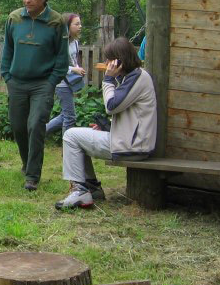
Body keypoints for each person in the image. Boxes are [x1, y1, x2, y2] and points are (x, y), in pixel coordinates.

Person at [56, 38, 157, 209]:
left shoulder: (137, 77)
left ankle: (80, 191)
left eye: (109, 59)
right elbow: (131, 115)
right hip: (133, 142)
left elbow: (112, 106)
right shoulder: (133, 76)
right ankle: (92, 188)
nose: (106, 63)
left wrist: (108, 79)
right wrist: (107, 128)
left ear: (119, 60)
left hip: (131, 146)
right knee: (79, 137)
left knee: (70, 135)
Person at [1, 0, 69, 191]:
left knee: (36, 124)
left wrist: (52, 82)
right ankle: (26, 163)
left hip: (42, 84)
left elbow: (62, 57)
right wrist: (7, 75)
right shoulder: (14, 19)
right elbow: (8, 50)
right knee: (19, 127)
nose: (27, 0)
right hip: (17, 82)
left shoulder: (56, 22)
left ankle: (32, 176)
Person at [46, 13, 86, 136]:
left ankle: (37, 132)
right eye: (76, 24)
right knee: (70, 117)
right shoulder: (59, 43)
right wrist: (74, 70)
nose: (80, 26)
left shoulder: (75, 42)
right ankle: (69, 149)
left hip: (70, 82)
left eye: (80, 23)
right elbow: (54, 64)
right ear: (67, 26)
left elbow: (73, 61)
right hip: (61, 83)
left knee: (66, 115)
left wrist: (78, 69)